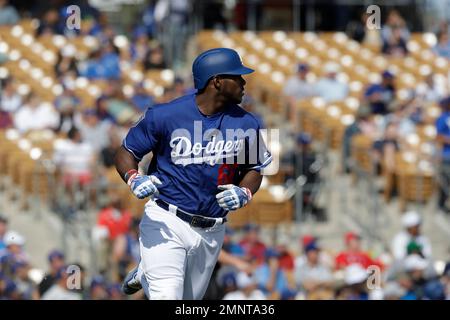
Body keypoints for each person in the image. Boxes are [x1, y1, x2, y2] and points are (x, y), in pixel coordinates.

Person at [115, 47, 271, 300]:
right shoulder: (165, 115)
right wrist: (133, 176)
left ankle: (146, 272)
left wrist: (244, 191)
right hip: (167, 220)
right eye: (237, 76)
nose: (243, 82)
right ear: (217, 81)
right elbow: (126, 151)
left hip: (212, 230)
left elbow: (255, 169)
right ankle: (152, 269)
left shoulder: (247, 122)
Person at [436, 96, 450, 213]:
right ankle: (441, 205)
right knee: (446, 181)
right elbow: (439, 137)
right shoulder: (443, 118)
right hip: (447, 156)